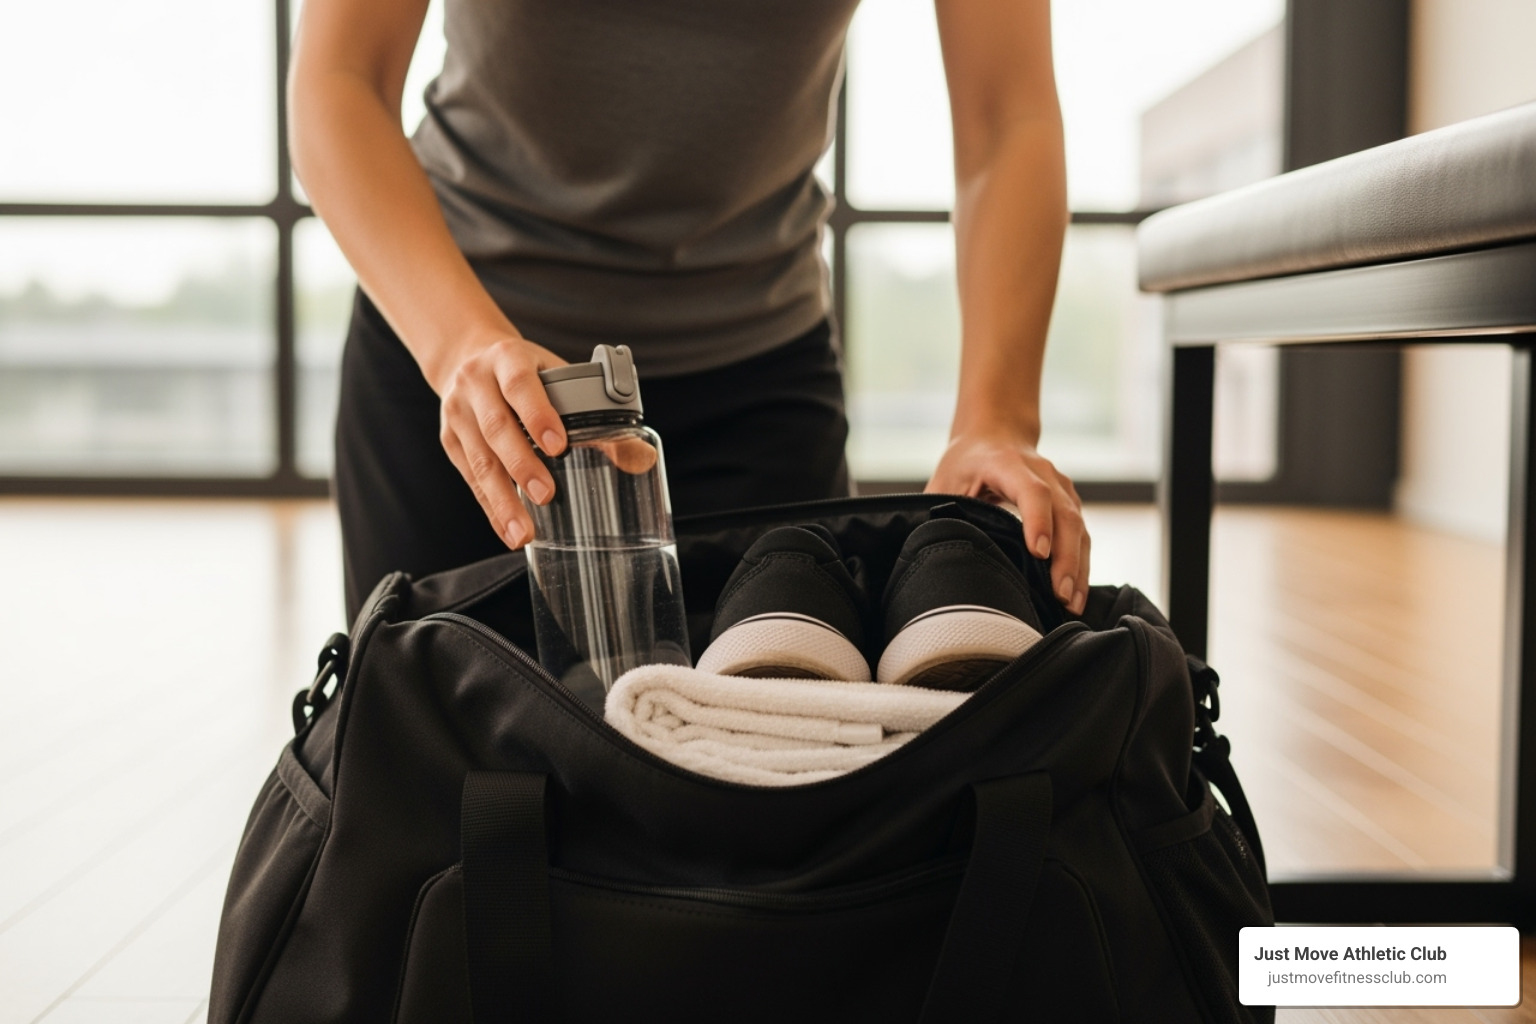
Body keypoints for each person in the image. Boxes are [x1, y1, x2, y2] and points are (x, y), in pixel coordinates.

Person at [290, 0, 1090, 623]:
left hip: (759, 382)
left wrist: (996, 419)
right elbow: (340, 77)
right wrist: (460, 342)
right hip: (470, 371)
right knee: (437, 794)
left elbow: (1005, 118)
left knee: (779, 802)